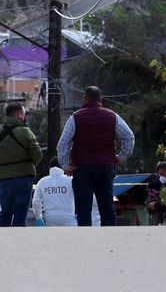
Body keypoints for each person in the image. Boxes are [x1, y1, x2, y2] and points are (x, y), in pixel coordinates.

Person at [57, 85, 135, 226]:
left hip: (82, 169)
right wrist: (120, 157)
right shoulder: (112, 116)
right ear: (101, 99)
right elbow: (129, 137)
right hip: (105, 167)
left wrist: (66, 165)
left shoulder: (75, 117)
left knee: (83, 208)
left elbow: (63, 143)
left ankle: (86, 239)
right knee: (106, 206)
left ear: (85, 98)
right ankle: (109, 237)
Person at [0, 103, 43, 227]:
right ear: (18, 114)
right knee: (20, 212)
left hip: (4, 178)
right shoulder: (25, 131)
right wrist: (31, 165)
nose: (24, 117)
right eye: (23, 114)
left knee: (6, 212)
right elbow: (37, 154)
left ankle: (2, 240)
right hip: (24, 177)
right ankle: (18, 240)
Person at [32, 156, 77, 226]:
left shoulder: (42, 181)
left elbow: (36, 202)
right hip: (69, 218)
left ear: (50, 168)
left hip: (50, 218)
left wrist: (38, 218)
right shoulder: (71, 180)